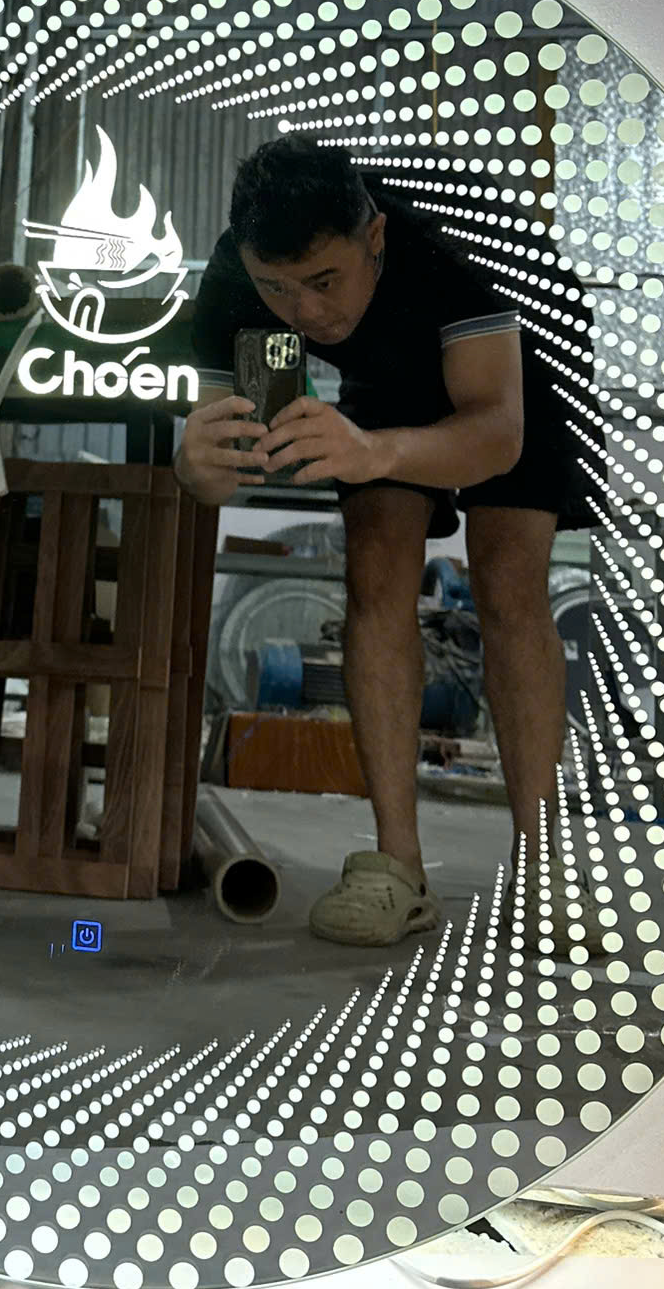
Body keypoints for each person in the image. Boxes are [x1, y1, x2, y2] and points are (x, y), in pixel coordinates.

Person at [179, 135, 595, 949]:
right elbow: (224, 471)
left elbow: (497, 436)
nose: (304, 314)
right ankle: (398, 867)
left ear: (373, 238)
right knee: (375, 572)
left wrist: (375, 452)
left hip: (516, 367)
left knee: (508, 581)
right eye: (279, 288)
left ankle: (544, 866)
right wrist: (193, 467)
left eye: (323, 282)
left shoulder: (456, 246)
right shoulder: (240, 281)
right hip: (389, 364)